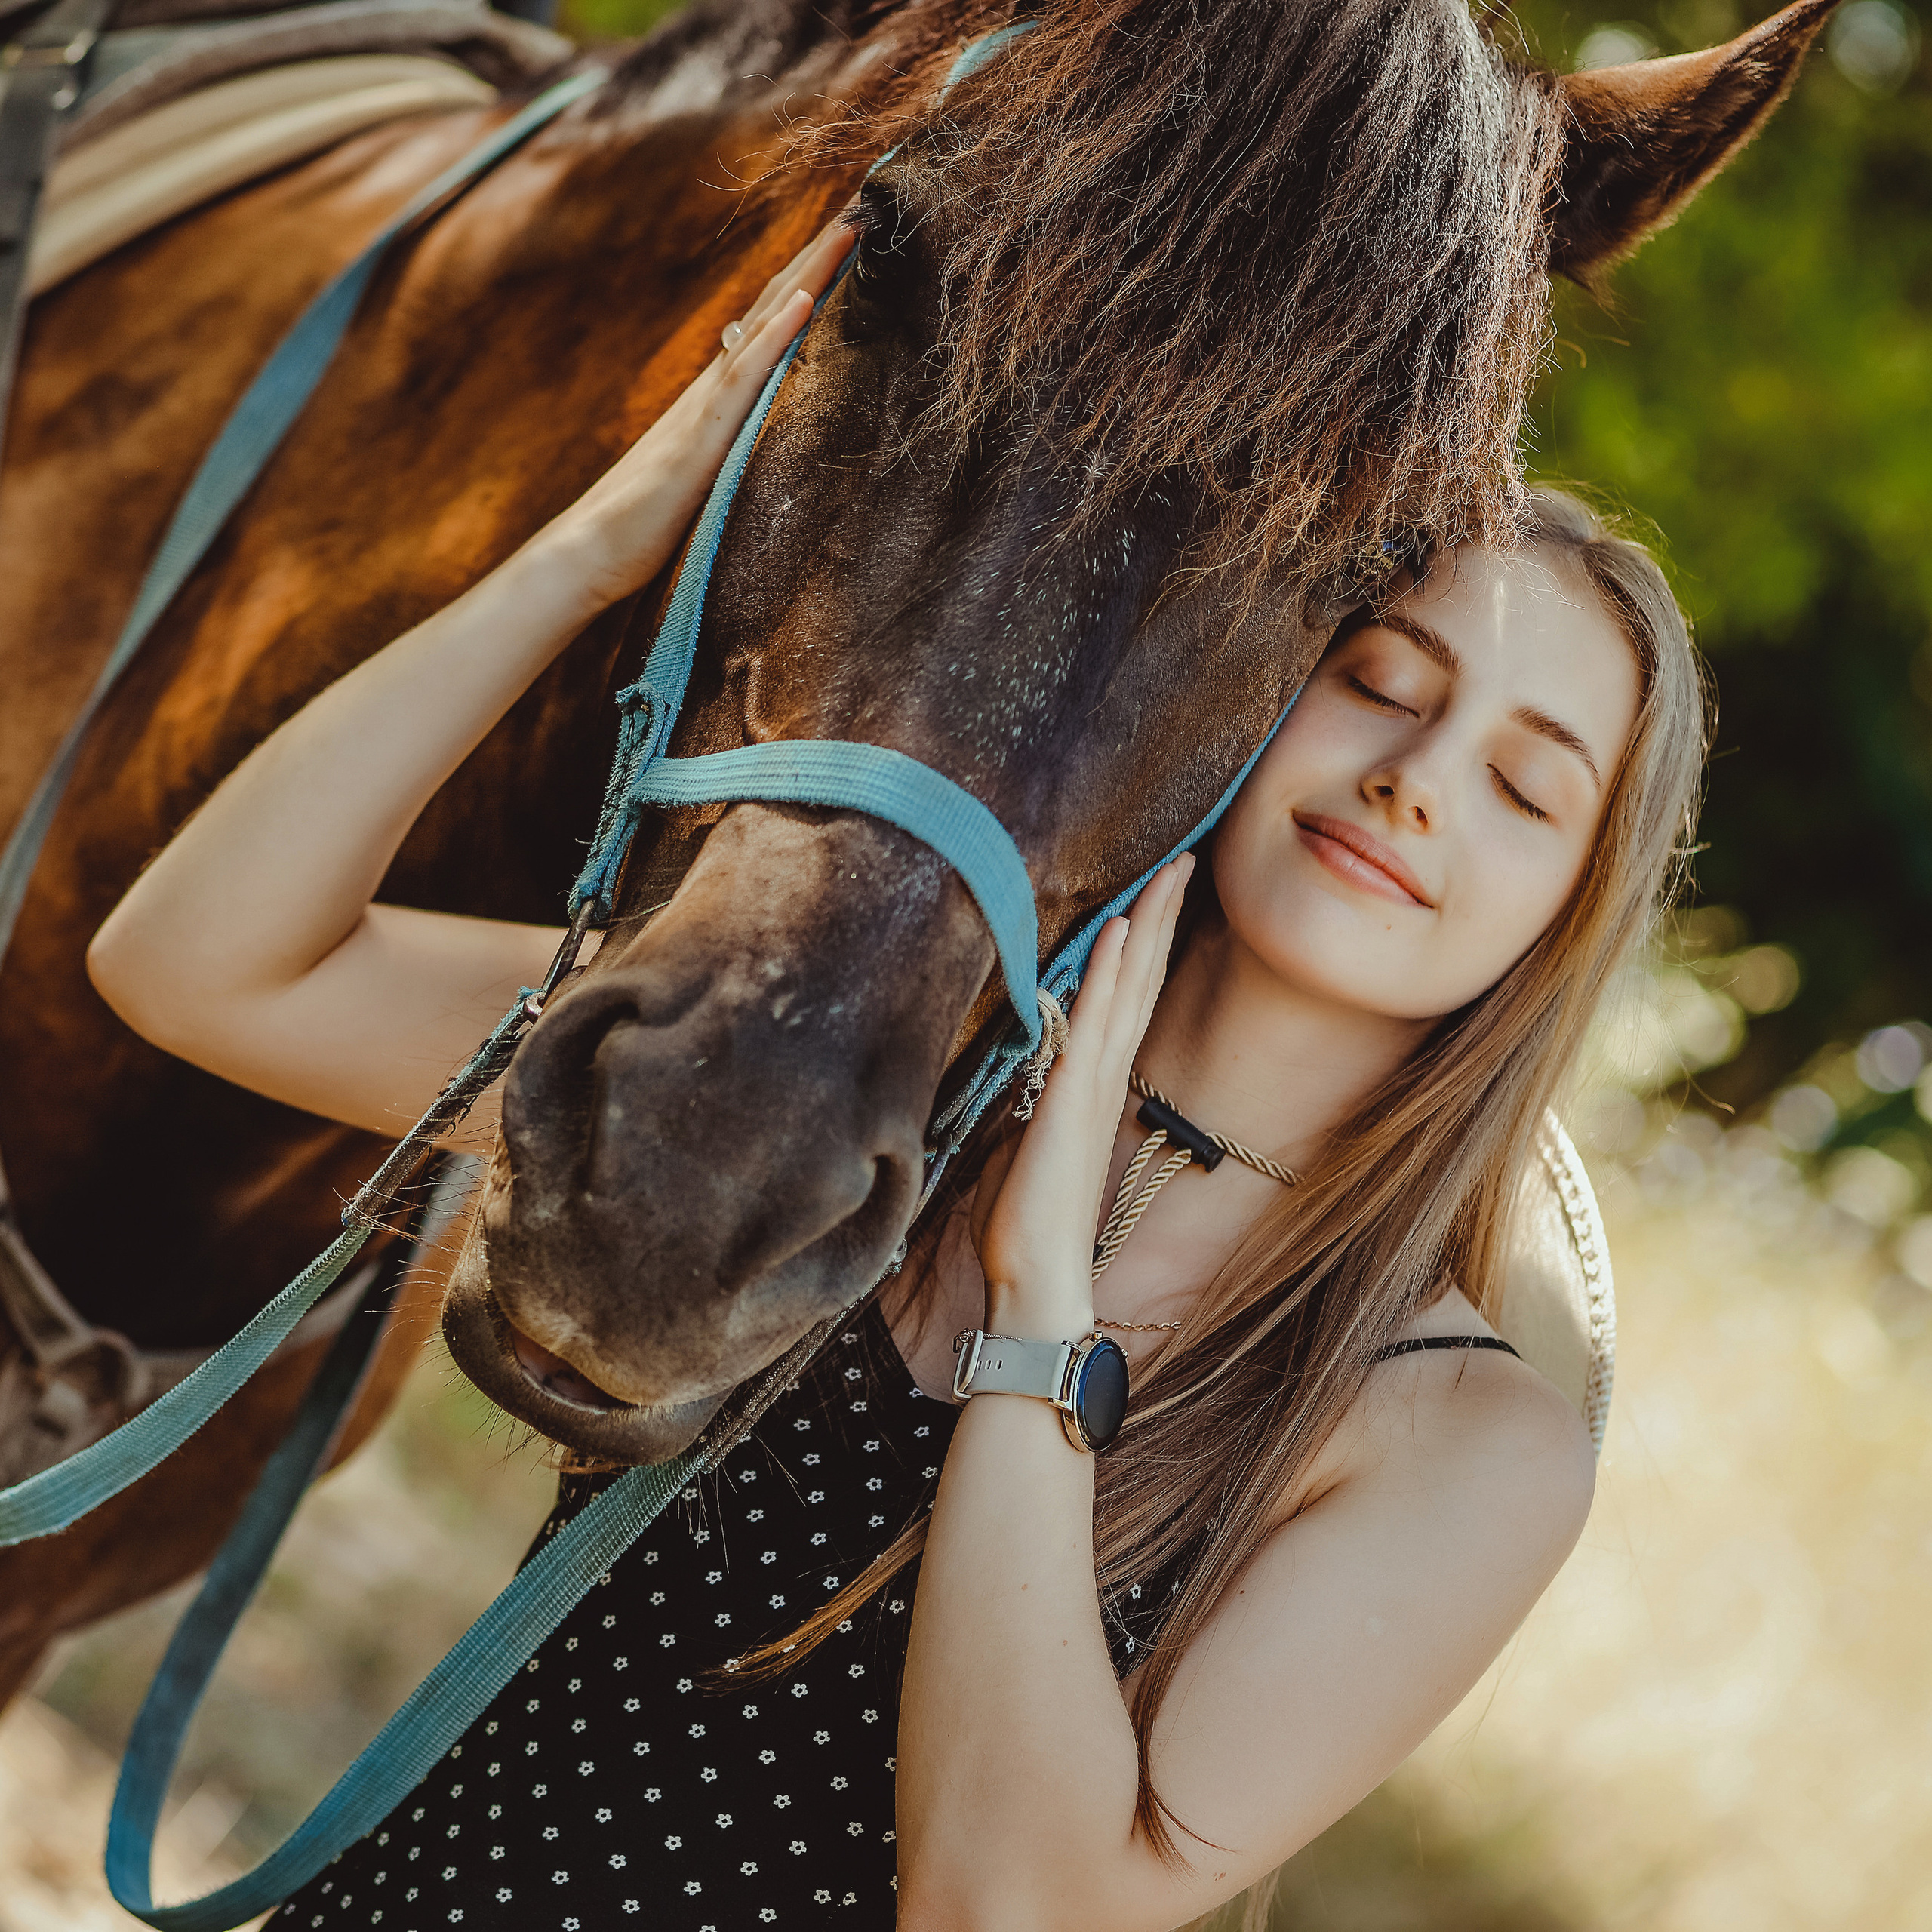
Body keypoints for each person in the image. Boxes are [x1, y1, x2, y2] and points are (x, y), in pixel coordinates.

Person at [87, 209, 1706, 1930]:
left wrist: (1035, 1305)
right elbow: (202, 962)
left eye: (1524, 787)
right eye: (1380, 683)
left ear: (1564, 912)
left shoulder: (1456, 1429)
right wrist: (598, 549)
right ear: (1240, 689)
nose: (1417, 778)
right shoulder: (867, 1087)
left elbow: (1007, 1903)